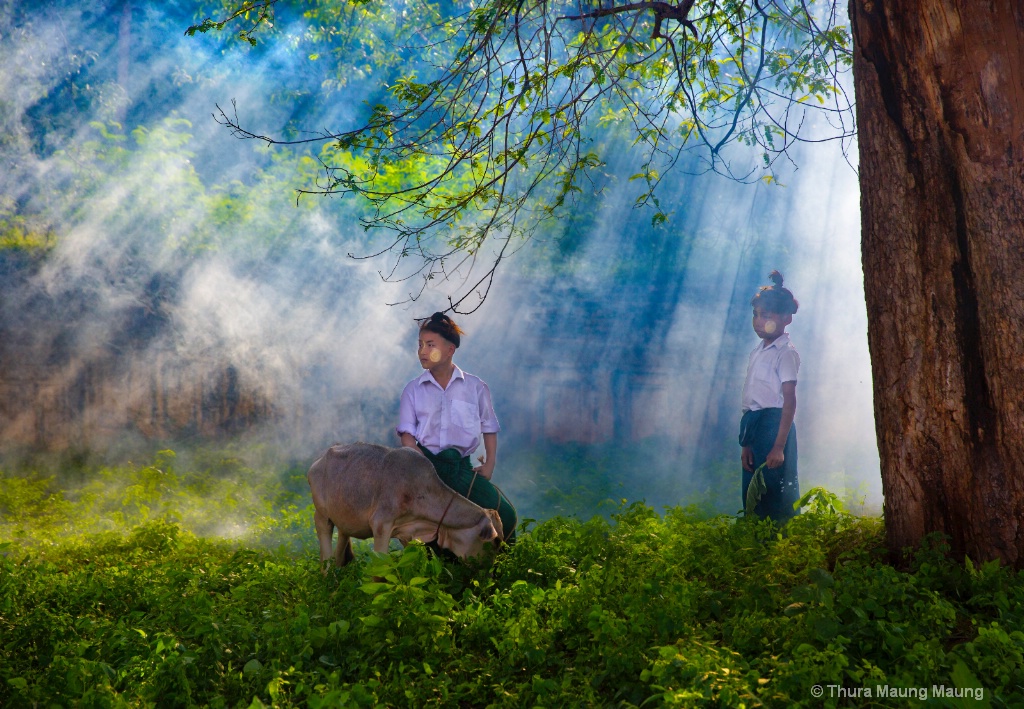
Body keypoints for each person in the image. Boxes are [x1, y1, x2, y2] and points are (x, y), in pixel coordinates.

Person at [396, 312, 517, 543]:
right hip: (426, 470)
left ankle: (503, 570)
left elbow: (489, 428)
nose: (422, 351)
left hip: (462, 471)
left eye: (430, 345)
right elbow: (408, 437)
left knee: (507, 516)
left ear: (450, 350)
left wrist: (489, 463)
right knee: (428, 533)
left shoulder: (475, 387)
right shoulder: (413, 390)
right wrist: (422, 468)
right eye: (420, 345)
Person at [739, 270, 801, 524]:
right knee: (752, 491)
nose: (758, 321)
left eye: (766, 315)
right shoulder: (758, 351)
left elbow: (789, 401)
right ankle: (756, 545)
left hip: (775, 426)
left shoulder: (785, 352)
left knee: (775, 490)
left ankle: (780, 545)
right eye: (755, 315)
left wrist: (778, 446)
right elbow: (750, 402)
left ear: (786, 318)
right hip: (754, 425)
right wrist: (746, 443)